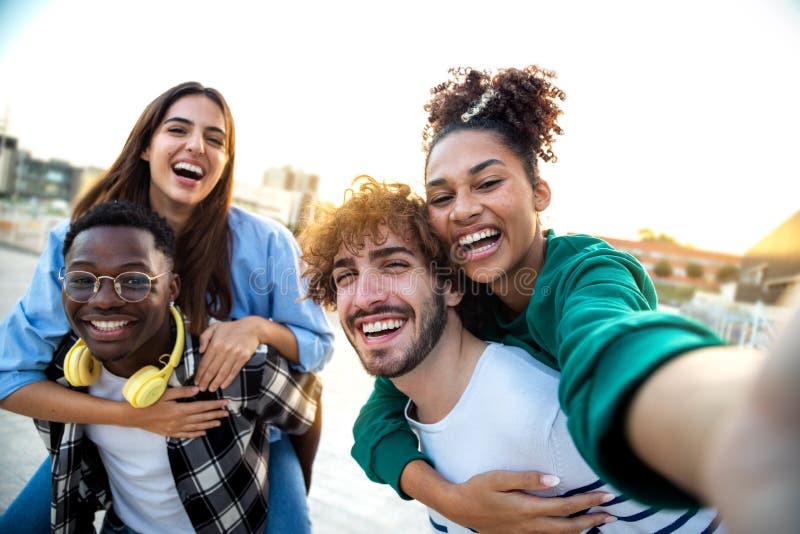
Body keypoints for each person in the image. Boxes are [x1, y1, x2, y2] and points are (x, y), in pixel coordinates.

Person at [349, 66, 798, 533]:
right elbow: (374, 423)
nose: (462, 209)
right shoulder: (465, 298)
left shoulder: (587, 273)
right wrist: (454, 502)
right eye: (441, 197)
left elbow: (609, 347)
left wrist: (732, 416)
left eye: (487, 183)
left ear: (539, 192)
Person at [299, 176, 723, 533]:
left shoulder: (545, 416)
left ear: (451, 285)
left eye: (394, 266)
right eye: (346, 276)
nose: (366, 296)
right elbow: (371, 425)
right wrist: (448, 500)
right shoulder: (426, 404)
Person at [0, 82, 334, 533]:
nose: (196, 145)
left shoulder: (268, 243)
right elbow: (10, 375)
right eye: (178, 129)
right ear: (145, 146)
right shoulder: (74, 243)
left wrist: (258, 329)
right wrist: (132, 416)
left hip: (249, 437)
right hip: (114, 423)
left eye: (215, 139)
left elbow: (317, 351)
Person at [36, 200, 320, 533]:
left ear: (171, 289)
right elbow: (73, 485)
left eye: (134, 280)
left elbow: (309, 411)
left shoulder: (236, 367)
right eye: (82, 280)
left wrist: (296, 497)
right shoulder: (61, 376)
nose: (104, 299)